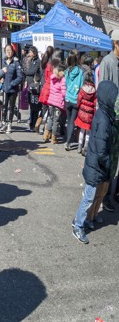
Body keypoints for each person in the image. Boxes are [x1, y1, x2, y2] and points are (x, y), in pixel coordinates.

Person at [73, 81, 118, 244]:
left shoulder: (105, 114)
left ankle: (88, 220)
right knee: (89, 198)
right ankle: (78, 225)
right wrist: (108, 164)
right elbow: (100, 151)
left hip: (96, 166)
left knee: (94, 195)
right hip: (96, 167)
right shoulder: (104, 120)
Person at [0, 45, 24, 134]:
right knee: (4, 107)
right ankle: (3, 124)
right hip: (5, 88)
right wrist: (2, 79)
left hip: (13, 89)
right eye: (7, 50)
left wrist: (11, 84)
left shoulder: (16, 62)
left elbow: (20, 77)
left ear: (13, 51)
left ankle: (9, 125)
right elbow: (2, 72)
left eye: (10, 50)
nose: (8, 52)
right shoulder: (4, 61)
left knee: (11, 107)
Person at [64, 54, 84, 151]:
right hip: (76, 99)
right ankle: (68, 141)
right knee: (72, 122)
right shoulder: (80, 72)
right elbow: (81, 86)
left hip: (67, 98)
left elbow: (66, 84)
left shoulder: (67, 71)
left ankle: (67, 141)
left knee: (68, 121)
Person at [74, 70, 96, 155]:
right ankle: (86, 147)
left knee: (82, 131)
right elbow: (95, 103)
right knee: (88, 131)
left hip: (82, 112)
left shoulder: (82, 89)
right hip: (90, 114)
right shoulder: (94, 90)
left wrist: (79, 106)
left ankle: (79, 146)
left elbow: (79, 100)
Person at [44, 60, 67, 144]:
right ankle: (53, 138)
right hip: (58, 104)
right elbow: (64, 93)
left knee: (50, 118)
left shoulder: (53, 78)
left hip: (51, 102)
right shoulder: (63, 80)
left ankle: (46, 135)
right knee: (56, 121)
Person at [22, 47, 43, 132]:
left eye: (31, 52)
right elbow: (26, 69)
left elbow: (32, 71)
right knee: (32, 105)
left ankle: (34, 124)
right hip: (29, 84)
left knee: (35, 106)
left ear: (34, 53)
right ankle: (31, 123)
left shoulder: (38, 61)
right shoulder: (29, 60)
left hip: (35, 86)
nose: (29, 54)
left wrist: (26, 72)